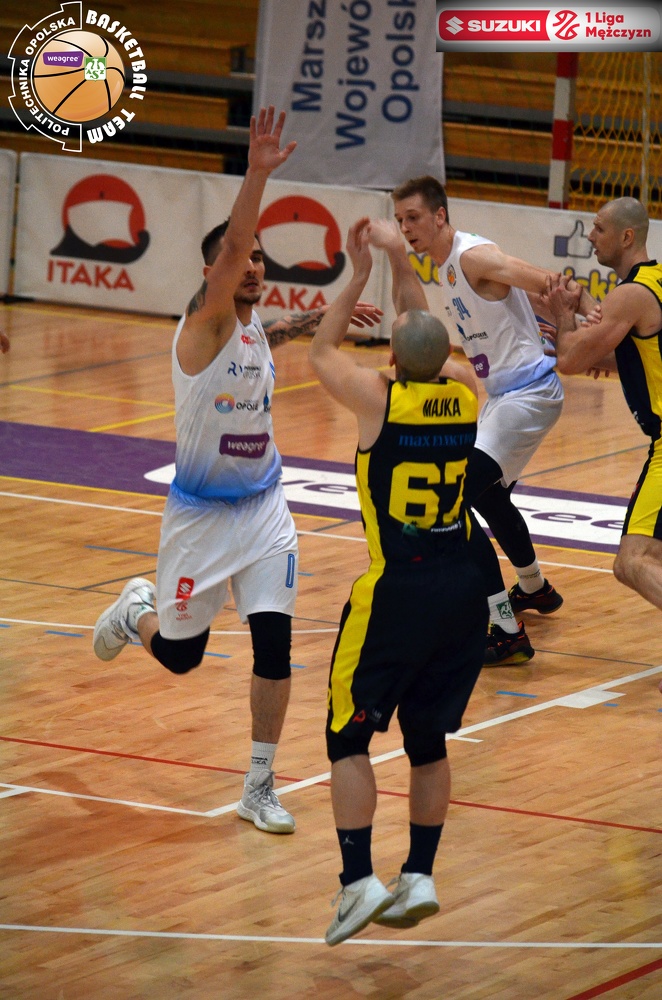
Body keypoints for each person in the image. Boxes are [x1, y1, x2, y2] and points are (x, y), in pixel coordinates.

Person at [92, 107, 311, 836]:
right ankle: (136, 609)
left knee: (275, 649)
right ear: (213, 272)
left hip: (265, 511)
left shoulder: (248, 327)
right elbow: (235, 251)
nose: (253, 267)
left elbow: (269, 333)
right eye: (241, 259)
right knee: (183, 658)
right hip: (200, 519)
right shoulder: (206, 321)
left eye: (260, 261)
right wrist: (256, 174)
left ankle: (259, 785)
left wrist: (318, 320)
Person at [309, 217, 488, 946]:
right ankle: (419, 874)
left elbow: (321, 351)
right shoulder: (468, 392)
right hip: (463, 590)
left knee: (346, 739)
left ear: (391, 358)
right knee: (428, 740)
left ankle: (357, 883)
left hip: (397, 593)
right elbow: (426, 335)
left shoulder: (377, 401)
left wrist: (361, 270)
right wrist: (401, 259)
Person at [389, 175, 595, 666]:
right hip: (506, 397)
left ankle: (503, 627)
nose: (406, 228)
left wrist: (599, 320)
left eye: (413, 217)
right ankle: (534, 587)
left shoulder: (472, 256)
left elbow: (553, 282)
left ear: (440, 215)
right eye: (399, 221)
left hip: (528, 394)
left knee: (453, 499)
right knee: (487, 496)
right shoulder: (446, 268)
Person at [546, 197, 662, 633]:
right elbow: (641, 357)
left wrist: (563, 315)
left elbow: (569, 360)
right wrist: (595, 339)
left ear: (627, 237)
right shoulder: (654, 282)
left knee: (631, 562)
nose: (591, 237)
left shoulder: (631, 294)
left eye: (598, 229)